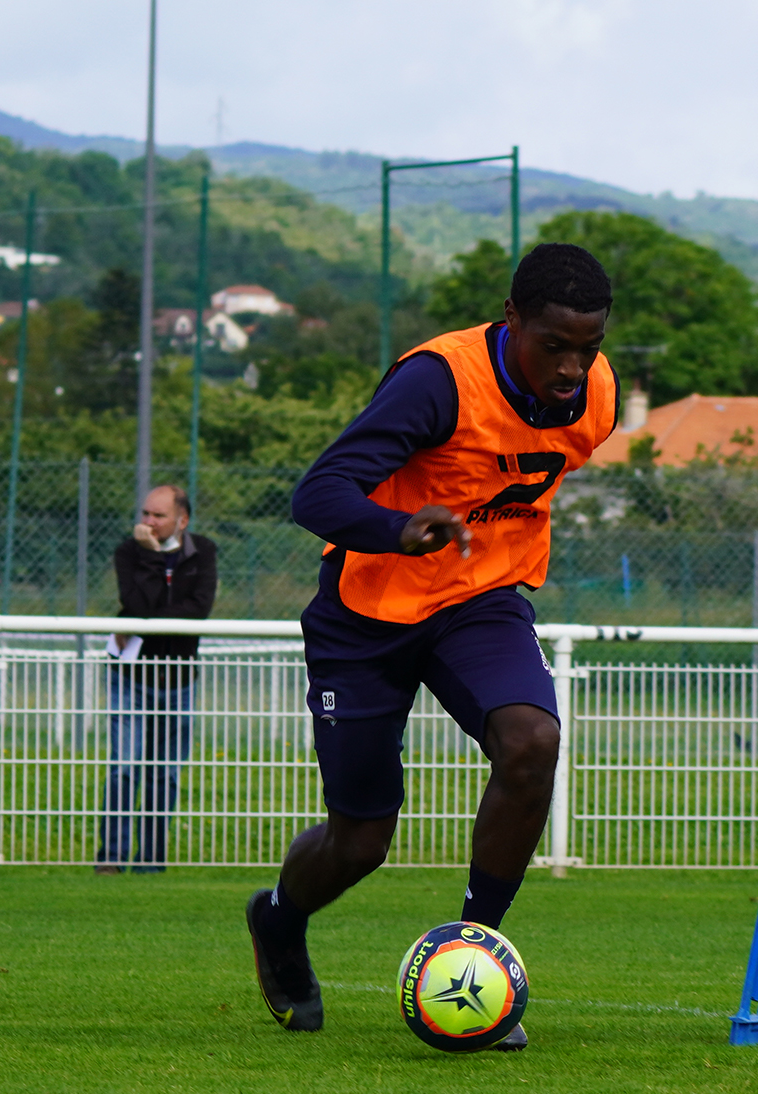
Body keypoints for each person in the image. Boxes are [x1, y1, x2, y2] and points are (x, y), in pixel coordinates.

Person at [245, 243, 619, 1047]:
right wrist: (399, 529)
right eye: (554, 344)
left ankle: (476, 951)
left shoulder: (599, 394)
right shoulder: (439, 379)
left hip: (478, 601)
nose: (571, 367)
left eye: (587, 347)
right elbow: (318, 494)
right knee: (361, 841)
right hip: (367, 615)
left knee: (532, 742)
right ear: (510, 317)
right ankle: (277, 919)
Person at [95, 484, 219, 874]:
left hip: (179, 677)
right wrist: (150, 556)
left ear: (181, 520)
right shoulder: (129, 551)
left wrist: (152, 617)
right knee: (124, 767)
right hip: (130, 675)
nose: (147, 521)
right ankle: (111, 860)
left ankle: (150, 862)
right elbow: (136, 606)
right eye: (145, 513)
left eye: (157, 515)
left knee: (164, 772)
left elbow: (198, 610)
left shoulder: (203, 550)